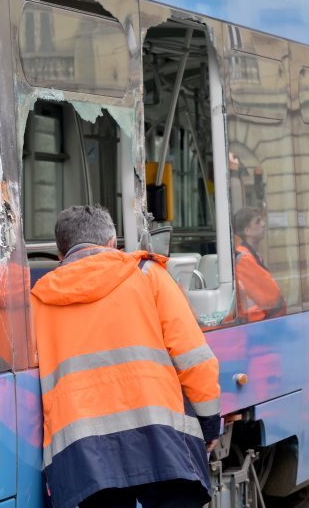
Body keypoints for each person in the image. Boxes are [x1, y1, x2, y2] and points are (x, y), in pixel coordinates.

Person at [30, 205, 221, 508]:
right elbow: (195, 360)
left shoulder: (39, 298)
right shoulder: (147, 275)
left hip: (83, 455)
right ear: (111, 243)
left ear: (60, 256)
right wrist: (210, 424)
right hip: (161, 439)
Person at [233, 207, 286, 322]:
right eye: (258, 221)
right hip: (257, 324)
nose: (263, 224)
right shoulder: (245, 258)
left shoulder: (249, 255)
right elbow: (272, 297)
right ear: (247, 231)